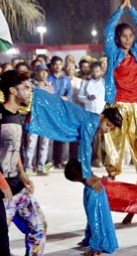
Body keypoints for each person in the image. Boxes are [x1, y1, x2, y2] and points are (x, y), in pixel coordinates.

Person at [27, 88, 123, 256]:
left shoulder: (93, 122)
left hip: (51, 104)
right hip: (47, 104)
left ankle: (92, 240)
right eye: (108, 125)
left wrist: (88, 175)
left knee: (94, 195)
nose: (108, 129)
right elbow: (84, 149)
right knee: (94, 194)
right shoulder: (92, 122)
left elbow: (83, 151)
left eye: (111, 128)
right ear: (102, 117)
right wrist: (87, 177)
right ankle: (95, 242)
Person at [101, 0, 137, 189]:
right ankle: (112, 173)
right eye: (124, 36)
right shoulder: (113, 52)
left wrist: (130, 8)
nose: (128, 39)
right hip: (119, 104)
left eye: (130, 36)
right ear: (118, 38)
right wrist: (119, 10)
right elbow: (108, 30)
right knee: (114, 141)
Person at [0, 70, 45, 256]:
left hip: (17, 185)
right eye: (25, 87)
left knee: (38, 231)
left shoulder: (18, 116)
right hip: (2, 191)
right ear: (12, 90)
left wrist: (24, 175)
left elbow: (15, 149)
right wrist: (2, 184)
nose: (29, 91)